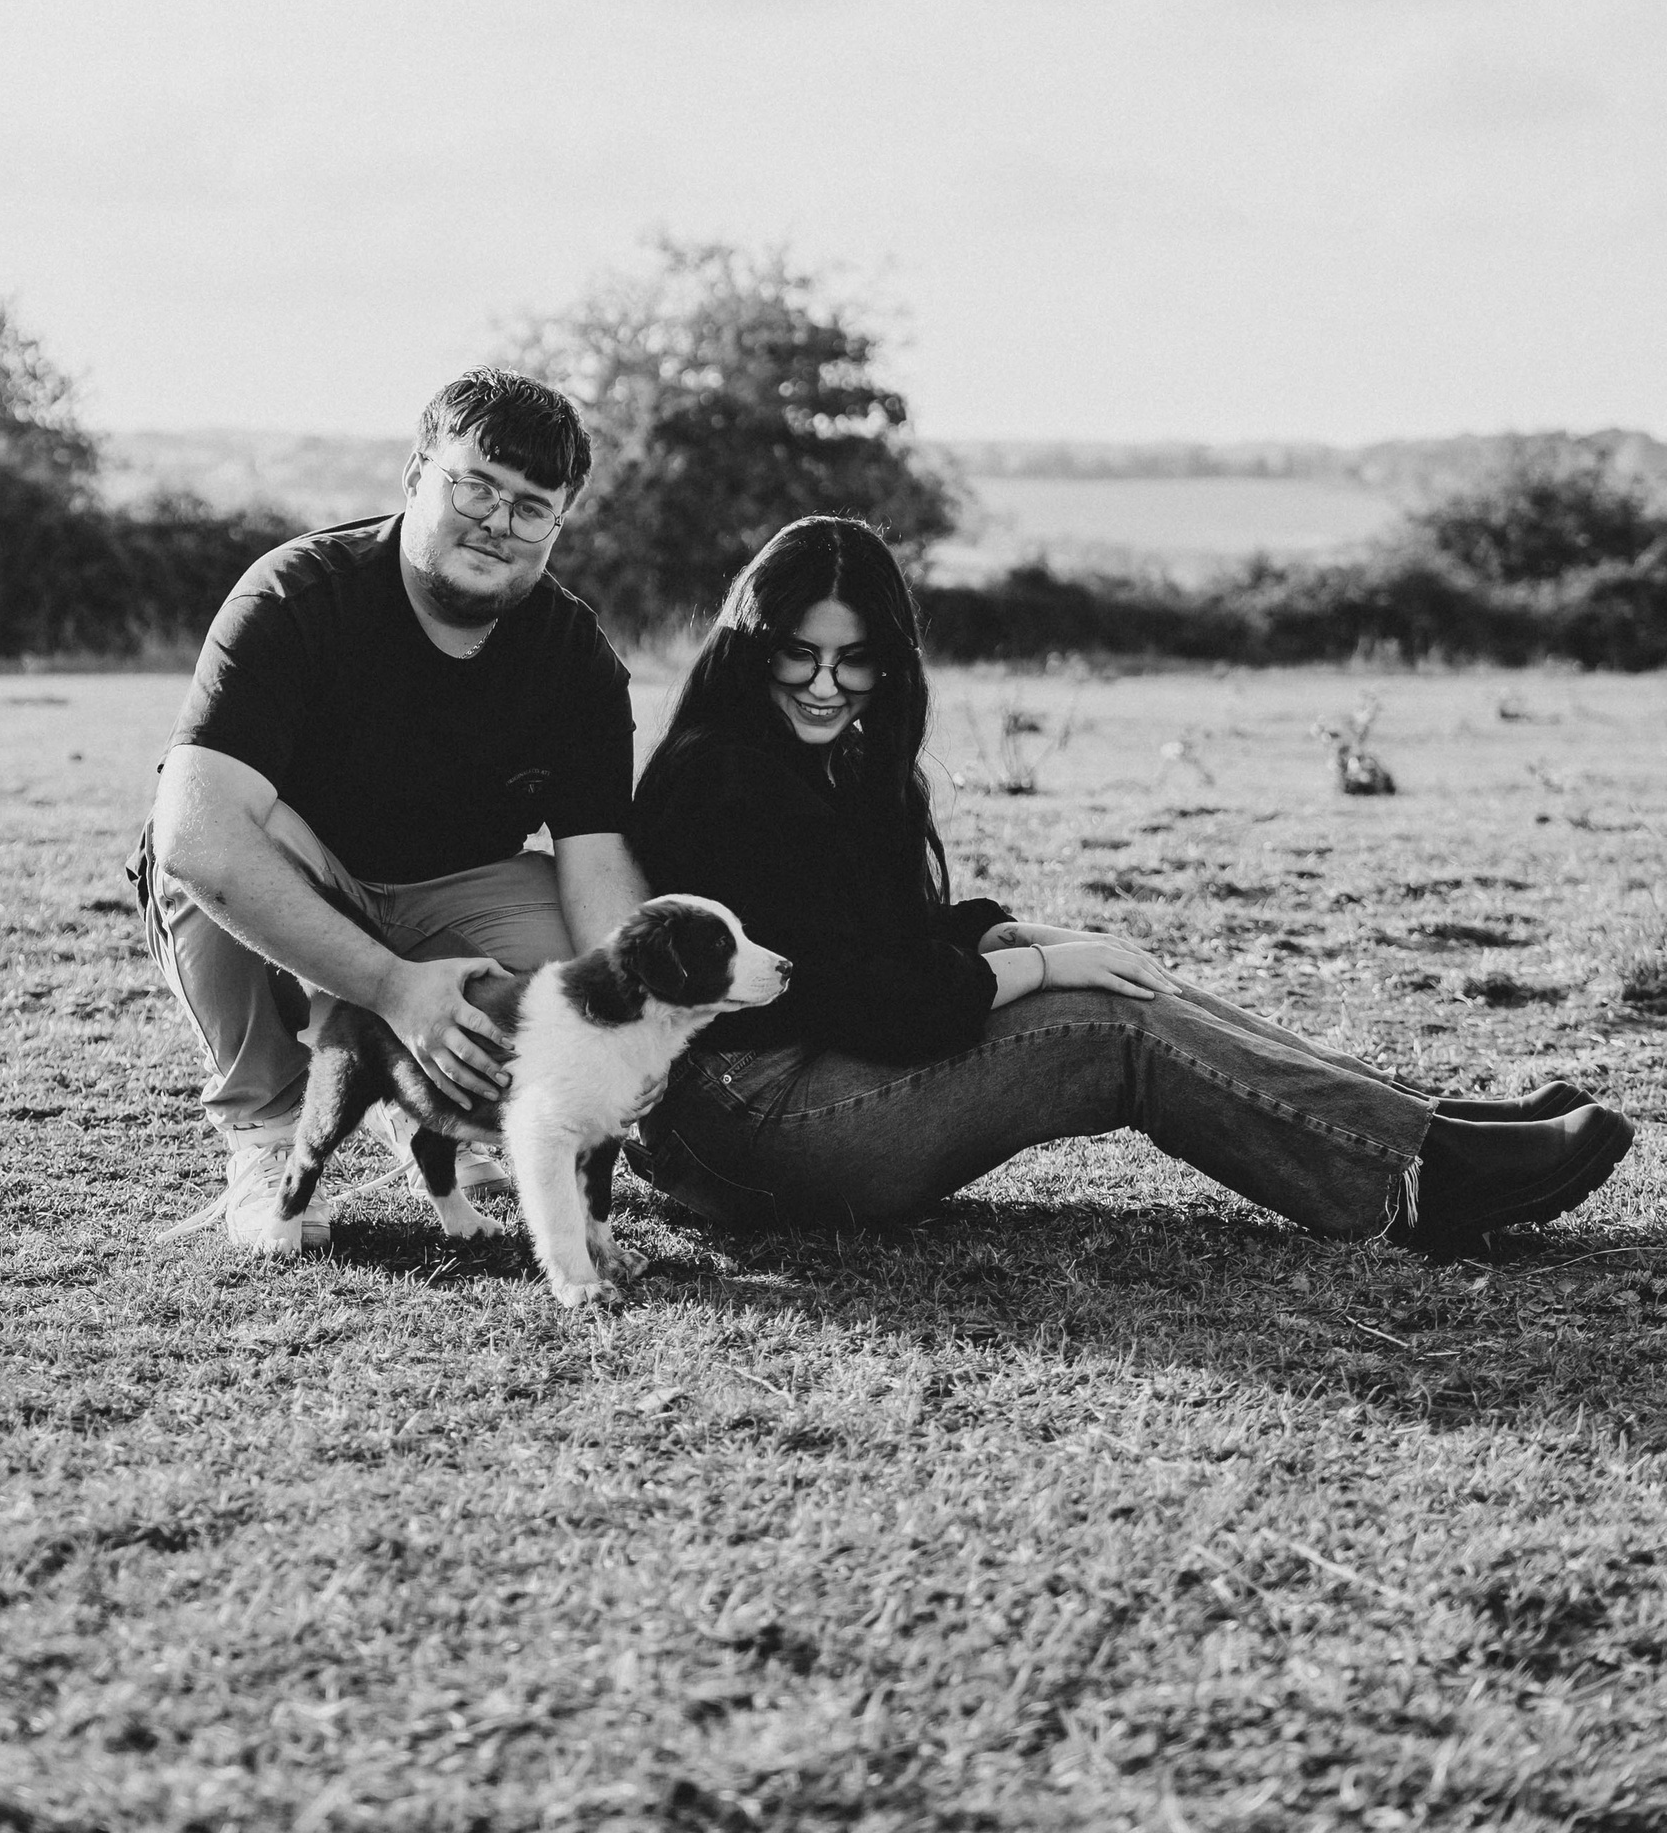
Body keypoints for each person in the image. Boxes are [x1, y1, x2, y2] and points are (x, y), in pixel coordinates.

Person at [628, 517, 1634, 1253]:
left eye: (854, 662)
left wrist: (1017, 935)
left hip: (799, 1081)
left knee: (1126, 977)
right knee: (1113, 1025)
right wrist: (1037, 970)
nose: (824, 685)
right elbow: (882, 1000)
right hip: (750, 1120)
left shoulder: (822, 763)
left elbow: (879, 933)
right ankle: (1416, 1183)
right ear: (754, 645)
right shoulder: (729, 778)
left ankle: (1426, 1127)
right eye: (799, 656)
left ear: (889, 662)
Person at [135, 368, 647, 1254]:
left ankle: (437, 1112)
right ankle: (271, 1132)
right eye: (476, 486)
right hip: (309, 872)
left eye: (533, 507)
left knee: (579, 968)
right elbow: (196, 836)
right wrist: (390, 989)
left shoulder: (575, 655)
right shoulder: (295, 594)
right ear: (416, 476)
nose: (499, 522)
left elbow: (598, 865)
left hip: (455, 891)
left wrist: (625, 1023)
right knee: (210, 843)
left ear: (559, 525)